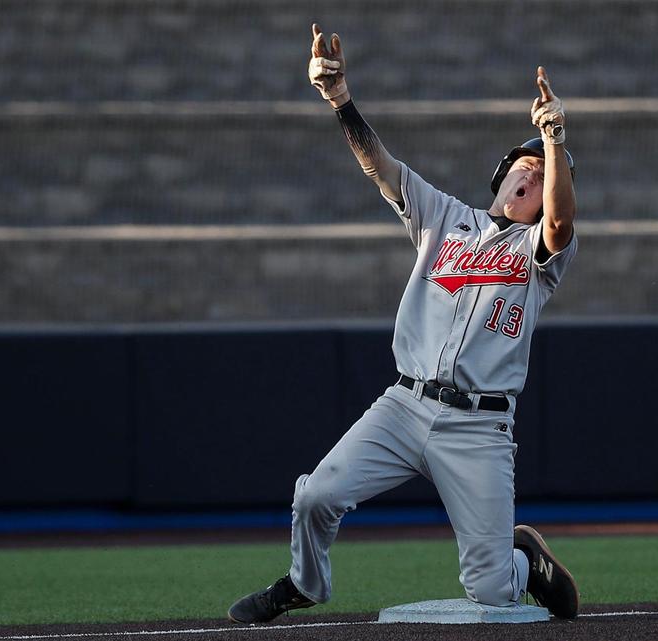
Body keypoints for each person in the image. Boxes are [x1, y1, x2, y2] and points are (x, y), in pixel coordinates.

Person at [227, 24, 581, 624]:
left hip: (479, 425)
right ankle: (305, 583)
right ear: (504, 176)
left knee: (492, 591)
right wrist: (340, 100)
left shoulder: (539, 253)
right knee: (316, 495)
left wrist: (554, 141)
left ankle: (525, 564)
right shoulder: (444, 217)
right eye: (529, 165)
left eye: (545, 174)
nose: (536, 176)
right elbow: (379, 167)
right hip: (406, 403)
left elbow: (561, 226)